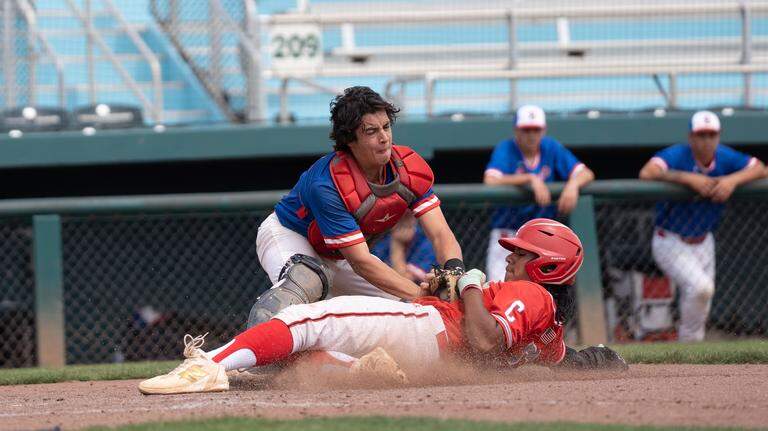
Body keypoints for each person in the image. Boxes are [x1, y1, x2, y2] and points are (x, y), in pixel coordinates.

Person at [138, 218, 627, 395]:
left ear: (546, 268)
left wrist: (472, 283)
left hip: (431, 334)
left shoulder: (530, 294)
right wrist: (597, 360)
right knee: (311, 360)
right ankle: (354, 372)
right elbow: (562, 359)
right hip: (433, 353)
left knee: (307, 319)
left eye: (524, 254)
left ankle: (206, 367)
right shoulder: (550, 327)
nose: (512, 256)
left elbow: (483, 337)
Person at [249, 86, 463, 328]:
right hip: (289, 236)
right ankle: (251, 356)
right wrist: (422, 296)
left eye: (386, 126)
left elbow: (440, 233)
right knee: (305, 284)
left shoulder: (409, 168)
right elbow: (361, 262)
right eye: (371, 131)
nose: (384, 137)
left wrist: (454, 270)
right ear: (350, 140)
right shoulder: (328, 183)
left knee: (404, 311)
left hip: (341, 255)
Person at [639, 110, 766, 342]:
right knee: (700, 288)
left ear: (718, 136)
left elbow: (760, 168)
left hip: (704, 241)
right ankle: (687, 346)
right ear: (691, 137)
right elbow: (647, 172)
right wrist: (689, 178)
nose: (706, 140)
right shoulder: (678, 154)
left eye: (711, 135)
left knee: (702, 296)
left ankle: (691, 353)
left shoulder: (725, 157)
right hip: (670, 239)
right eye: (701, 135)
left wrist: (731, 180)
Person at [483, 105, 594, 282]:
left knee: (540, 293)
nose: (532, 134)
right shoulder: (507, 148)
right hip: (508, 236)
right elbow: (490, 180)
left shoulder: (550, 147)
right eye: (526, 129)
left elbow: (586, 173)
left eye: (536, 129)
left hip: (540, 240)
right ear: (516, 130)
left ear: (543, 130)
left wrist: (573, 184)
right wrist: (529, 179)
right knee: (500, 289)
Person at [370, 211, 437, 283]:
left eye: (407, 215)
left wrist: (397, 244)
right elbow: (373, 274)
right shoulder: (384, 239)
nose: (403, 219)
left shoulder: (428, 244)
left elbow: (405, 283)